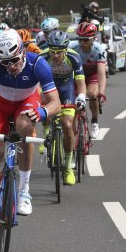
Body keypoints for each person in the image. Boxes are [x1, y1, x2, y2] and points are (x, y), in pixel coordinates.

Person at [0, 29, 60, 238]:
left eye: (14, 60)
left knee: (25, 125)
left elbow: (55, 101)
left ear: (22, 51)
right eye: (5, 62)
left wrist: (43, 111)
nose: (11, 67)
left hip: (26, 102)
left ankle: (24, 190)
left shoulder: (38, 63)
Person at [39, 31, 87, 186]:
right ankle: (46, 134)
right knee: (44, 105)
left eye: (59, 51)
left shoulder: (73, 56)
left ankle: (67, 167)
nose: (55, 55)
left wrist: (80, 96)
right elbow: (36, 82)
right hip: (49, 86)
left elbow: (80, 81)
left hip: (67, 87)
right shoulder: (43, 56)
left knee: (67, 124)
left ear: (65, 49)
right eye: (53, 51)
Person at [69, 22, 107, 138]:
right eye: (80, 39)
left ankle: (94, 122)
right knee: (72, 102)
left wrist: (101, 93)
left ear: (93, 39)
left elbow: (101, 74)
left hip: (92, 75)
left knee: (92, 94)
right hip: (77, 75)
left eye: (85, 40)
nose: (82, 43)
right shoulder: (71, 47)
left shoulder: (99, 50)